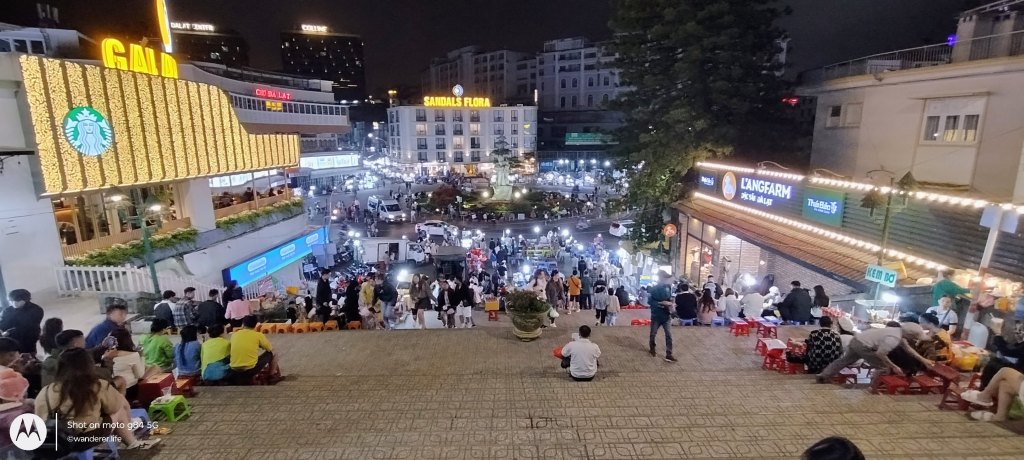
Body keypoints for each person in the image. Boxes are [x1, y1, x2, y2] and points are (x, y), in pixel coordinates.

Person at [35, 348, 160, 450]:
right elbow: (115, 406)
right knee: (120, 409)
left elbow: (39, 418)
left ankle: (131, 438)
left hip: (54, 440)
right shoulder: (96, 385)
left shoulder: (46, 391)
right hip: (86, 439)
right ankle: (133, 442)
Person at [816, 322, 934, 384]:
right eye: (915, 337)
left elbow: (909, 349)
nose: (914, 339)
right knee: (883, 367)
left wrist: (924, 360)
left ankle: (823, 376)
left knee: (844, 360)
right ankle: (873, 387)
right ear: (910, 334)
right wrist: (894, 366)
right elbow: (880, 354)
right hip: (863, 346)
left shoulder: (897, 331)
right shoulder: (893, 338)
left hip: (857, 340)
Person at [230, 315, 282, 383]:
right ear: (255, 325)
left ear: (243, 324)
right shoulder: (258, 335)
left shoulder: (234, 335)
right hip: (250, 369)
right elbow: (270, 349)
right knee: (274, 352)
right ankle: (271, 376)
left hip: (234, 369)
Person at [109, 327, 157, 395]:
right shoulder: (132, 355)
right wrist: (142, 356)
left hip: (114, 388)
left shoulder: (107, 354)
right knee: (155, 367)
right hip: (131, 389)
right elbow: (140, 375)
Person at [1, 288, 45, 355]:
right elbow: (3, 322)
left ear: (25, 300)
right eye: (11, 301)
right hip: (12, 338)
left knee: (28, 353)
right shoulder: (8, 310)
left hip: (29, 336)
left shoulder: (36, 310)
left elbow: (28, 326)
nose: (14, 303)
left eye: (17, 301)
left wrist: (9, 332)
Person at [648, 271, 677, 362]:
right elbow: (650, 302)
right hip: (656, 315)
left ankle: (669, 353)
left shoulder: (668, 288)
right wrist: (661, 303)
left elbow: (670, 299)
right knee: (653, 334)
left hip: (666, 315)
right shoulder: (654, 289)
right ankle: (652, 347)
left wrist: (671, 303)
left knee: (669, 335)